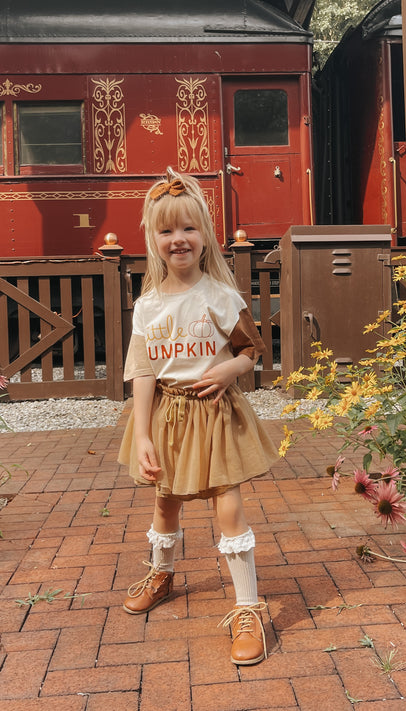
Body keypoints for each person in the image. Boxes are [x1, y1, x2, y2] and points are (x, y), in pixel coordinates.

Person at [118, 168, 278, 665]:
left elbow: (253, 350)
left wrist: (230, 369)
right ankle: (162, 573)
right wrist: (142, 434)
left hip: (213, 415)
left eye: (187, 228)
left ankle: (247, 607)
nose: (178, 239)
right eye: (166, 231)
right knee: (165, 501)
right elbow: (142, 372)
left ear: (204, 234)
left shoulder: (221, 297)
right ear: (154, 239)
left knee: (225, 504)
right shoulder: (146, 306)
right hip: (167, 416)